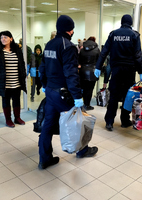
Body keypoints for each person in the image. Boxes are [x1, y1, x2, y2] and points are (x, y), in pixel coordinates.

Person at [38, 15, 98, 170]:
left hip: (50, 91)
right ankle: (82, 150)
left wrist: (44, 84)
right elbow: (71, 74)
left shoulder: (49, 44)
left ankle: (44, 158)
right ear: (70, 30)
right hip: (63, 93)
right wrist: (78, 96)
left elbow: (42, 67)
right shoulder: (68, 46)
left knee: (48, 125)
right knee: (76, 121)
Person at [94, 14, 142, 131]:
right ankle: (124, 120)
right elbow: (138, 56)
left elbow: (104, 52)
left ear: (122, 22)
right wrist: (141, 72)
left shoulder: (113, 34)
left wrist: (98, 66)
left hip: (116, 70)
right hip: (129, 71)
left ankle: (109, 122)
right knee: (128, 96)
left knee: (114, 97)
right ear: (131, 23)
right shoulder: (135, 35)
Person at [0, 31, 27, 128]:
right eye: (1, 37)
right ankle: (8, 119)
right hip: (4, 82)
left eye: (5, 37)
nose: (3, 39)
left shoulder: (17, 49)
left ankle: (17, 118)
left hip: (16, 81)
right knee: (6, 100)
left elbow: (21, 63)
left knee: (16, 100)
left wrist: (23, 73)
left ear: (11, 38)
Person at [78, 36, 100, 110]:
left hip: (83, 71)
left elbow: (79, 60)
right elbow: (99, 61)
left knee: (83, 88)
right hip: (92, 72)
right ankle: (87, 104)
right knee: (90, 89)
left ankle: (83, 104)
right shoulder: (97, 50)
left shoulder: (82, 50)